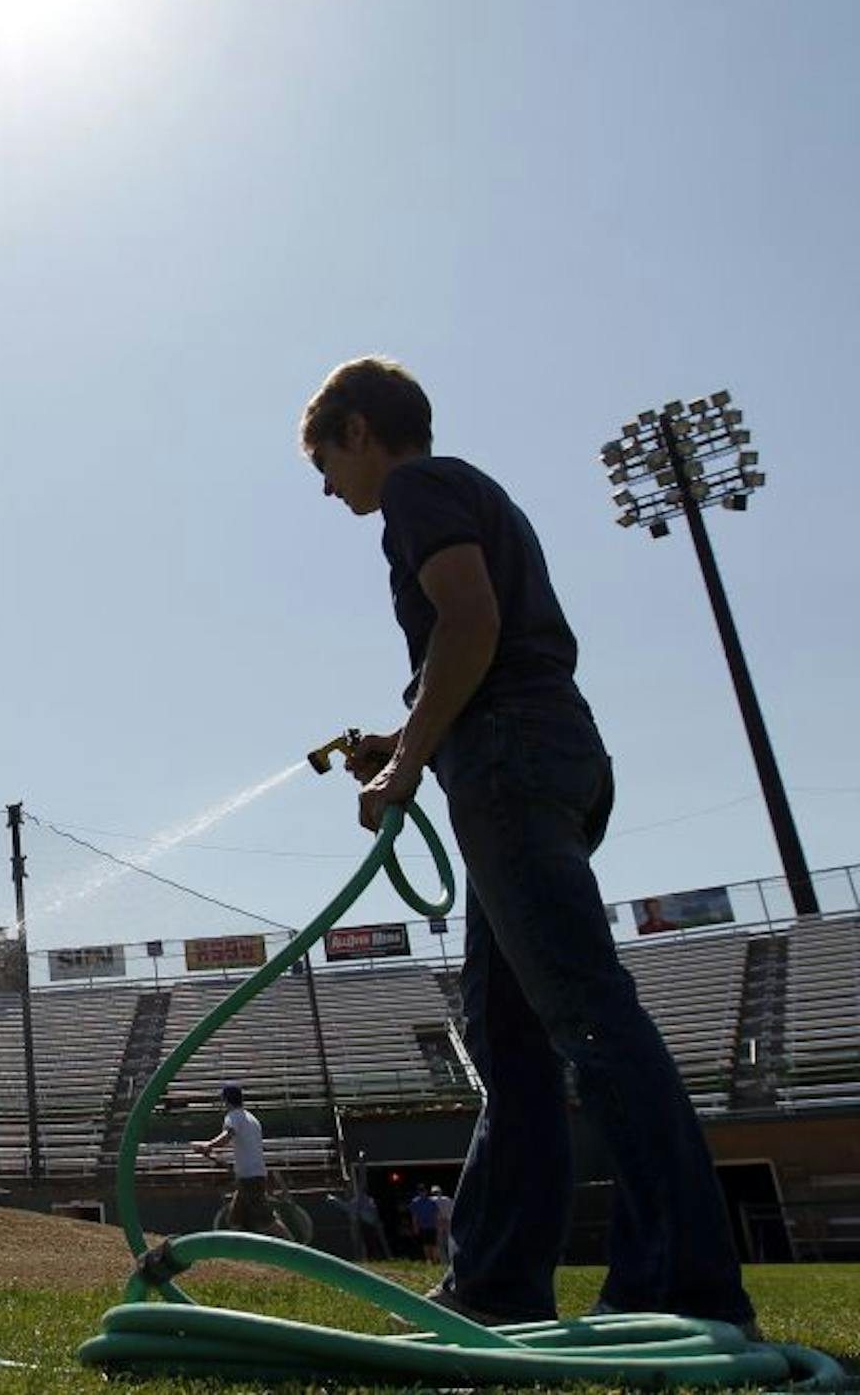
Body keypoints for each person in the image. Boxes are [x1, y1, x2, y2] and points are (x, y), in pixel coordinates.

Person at [300, 357, 756, 1334]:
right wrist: (406, 732)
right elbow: (473, 643)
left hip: (508, 762)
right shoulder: (468, 489)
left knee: (589, 1020)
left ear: (360, 433)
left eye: (325, 460)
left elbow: (471, 622)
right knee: (510, 1042)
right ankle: (496, 1283)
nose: (326, 483)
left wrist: (405, 764)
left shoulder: (418, 488)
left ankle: (685, 1286)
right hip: (541, 751)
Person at [191, 1083, 291, 1238]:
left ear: (226, 1100)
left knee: (266, 1220)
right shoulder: (251, 1118)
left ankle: (292, 1247)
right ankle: (238, 1255)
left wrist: (208, 1146)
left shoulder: (233, 1117)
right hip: (251, 1175)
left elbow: (228, 1135)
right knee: (235, 1218)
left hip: (250, 1177)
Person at [409, 1184, 440, 1262]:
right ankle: (430, 1260)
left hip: (431, 1225)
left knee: (432, 1244)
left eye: (423, 1191)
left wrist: (438, 1225)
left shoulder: (430, 1201)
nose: (422, 1192)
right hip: (424, 1226)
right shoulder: (416, 1202)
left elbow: (436, 1214)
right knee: (427, 1244)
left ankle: (433, 1260)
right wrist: (415, 1226)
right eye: (421, 1191)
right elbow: (414, 1215)